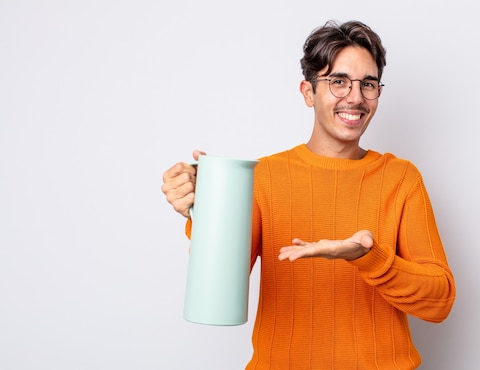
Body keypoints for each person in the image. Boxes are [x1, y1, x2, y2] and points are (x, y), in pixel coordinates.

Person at [161, 20, 455, 369]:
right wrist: (206, 210)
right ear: (307, 91)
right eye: (338, 82)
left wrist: (368, 257)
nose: (356, 97)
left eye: (369, 84)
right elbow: (217, 290)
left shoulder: (401, 179)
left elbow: (439, 303)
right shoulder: (263, 178)